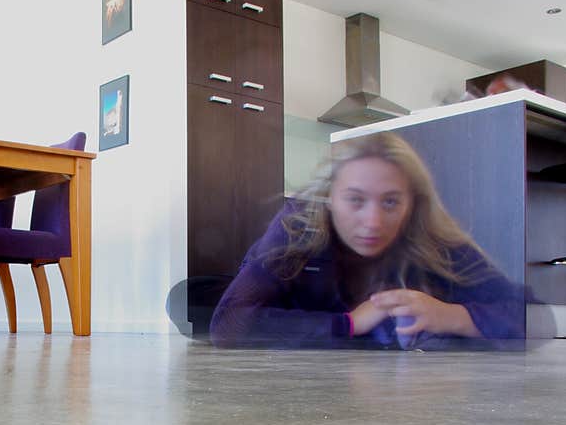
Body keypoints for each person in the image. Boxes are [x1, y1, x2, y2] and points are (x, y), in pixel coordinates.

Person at [209, 131, 532, 350]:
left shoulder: (427, 231)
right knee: (190, 295)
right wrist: (349, 324)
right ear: (329, 197)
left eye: (391, 202)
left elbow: (532, 315)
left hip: (307, 314)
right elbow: (229, 322)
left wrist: (454, 316)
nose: (373, 223)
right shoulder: (299, 221)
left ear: (412, 202)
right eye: (355, 200)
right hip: (278, 297)